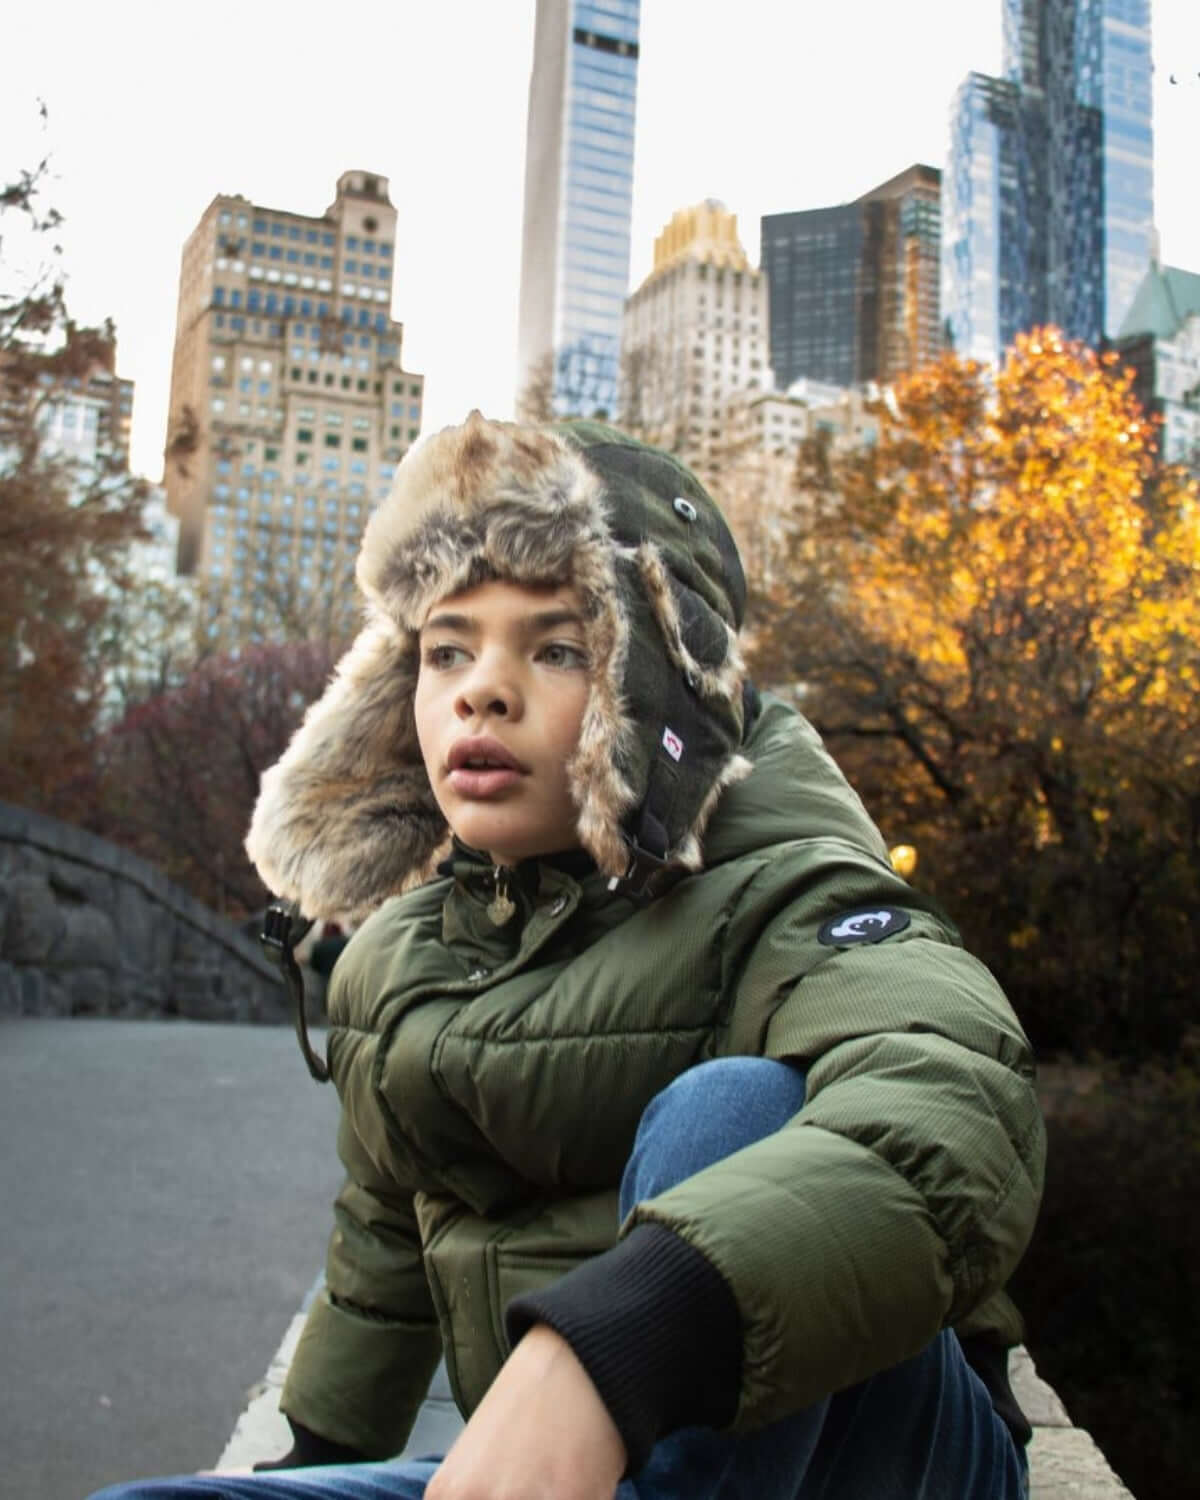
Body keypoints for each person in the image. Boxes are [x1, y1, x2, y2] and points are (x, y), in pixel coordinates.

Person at [92, 413, 1045, 1500]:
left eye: (556, 648)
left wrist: (620, 1344)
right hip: (574, 1480)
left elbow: (953, 1103)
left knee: (730, 1113)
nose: (480, 690)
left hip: (883, 1458)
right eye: (446, 648)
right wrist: (316, 1460)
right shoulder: (399, 960)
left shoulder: (788, 887)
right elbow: (382, 1258)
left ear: (663, 687)